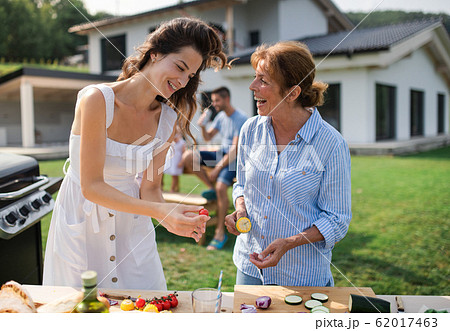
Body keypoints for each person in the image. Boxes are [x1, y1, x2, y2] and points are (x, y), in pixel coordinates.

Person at [43, 17, 227, 290]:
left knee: (146, 304)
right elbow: (92, 186)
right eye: (179, 67)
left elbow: (150, 187)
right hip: (82, 220)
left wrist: (169, 218)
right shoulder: (96, 100)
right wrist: (159, 211)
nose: (182, 80)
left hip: (132, 225)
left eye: (190, 76)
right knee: (81, 310)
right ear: (155, 53)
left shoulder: (167, 120)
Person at [225, 41, 352, 286]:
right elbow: (241, 183)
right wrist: (240, 207)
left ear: (292, 93)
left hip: (301, 275)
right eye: (255, 77)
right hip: (249, 267)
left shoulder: (331, 144)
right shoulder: (250, 129)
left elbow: (337, 220)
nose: (253, 86)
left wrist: (290, 243)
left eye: (263, 80)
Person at [182, 87, 247, 250]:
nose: (214, 104)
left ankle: (220, 233)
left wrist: (217, 168)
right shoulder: (221, 117)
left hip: (234, 159)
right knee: (189, 157)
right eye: (213, 101)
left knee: (221, 187)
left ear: (226, 99)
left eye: (217, 100)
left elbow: (235, 150)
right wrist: (202, 126)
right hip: (221, 153)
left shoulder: (241, 118)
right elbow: (208, 137)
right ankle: (213, 190)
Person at [163, 126, 186, 192]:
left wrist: (181, 162)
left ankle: (172, 189)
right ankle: (162, 187)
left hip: (177, 161)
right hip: (171, 161)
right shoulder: (172, 142)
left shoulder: (182, 143)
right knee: (164, 173)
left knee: (175, 175)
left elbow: (184, 152)